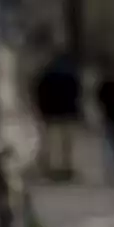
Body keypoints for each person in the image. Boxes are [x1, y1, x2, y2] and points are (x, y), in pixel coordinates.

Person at [33, 46, 81, 181]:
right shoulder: (71, 75)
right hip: (68, 113)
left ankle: (53, 168)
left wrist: (41, 109)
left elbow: (40, 93)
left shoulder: (47, 75)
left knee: (52, 142)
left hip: (51, 113)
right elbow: (77, 95)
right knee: (66, 143)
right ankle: (66, 167)